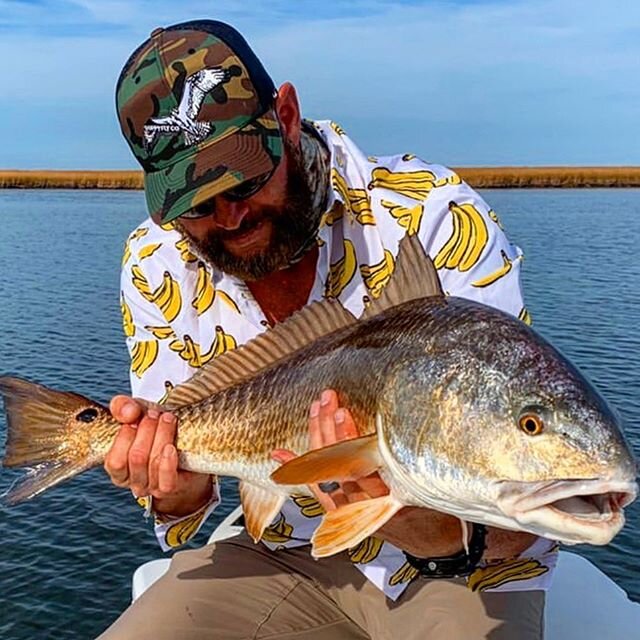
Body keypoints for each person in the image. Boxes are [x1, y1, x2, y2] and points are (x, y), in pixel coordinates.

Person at [100, 19, 554, 639]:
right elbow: (182, 495)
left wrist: (411, 522)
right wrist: (172, 486)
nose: (230, 218)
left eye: (245, 179)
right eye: (195, 205)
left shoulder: (433, 216)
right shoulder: (154, 261)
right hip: (282, 550)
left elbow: (527, 496)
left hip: (457, 572)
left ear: (286, 115)